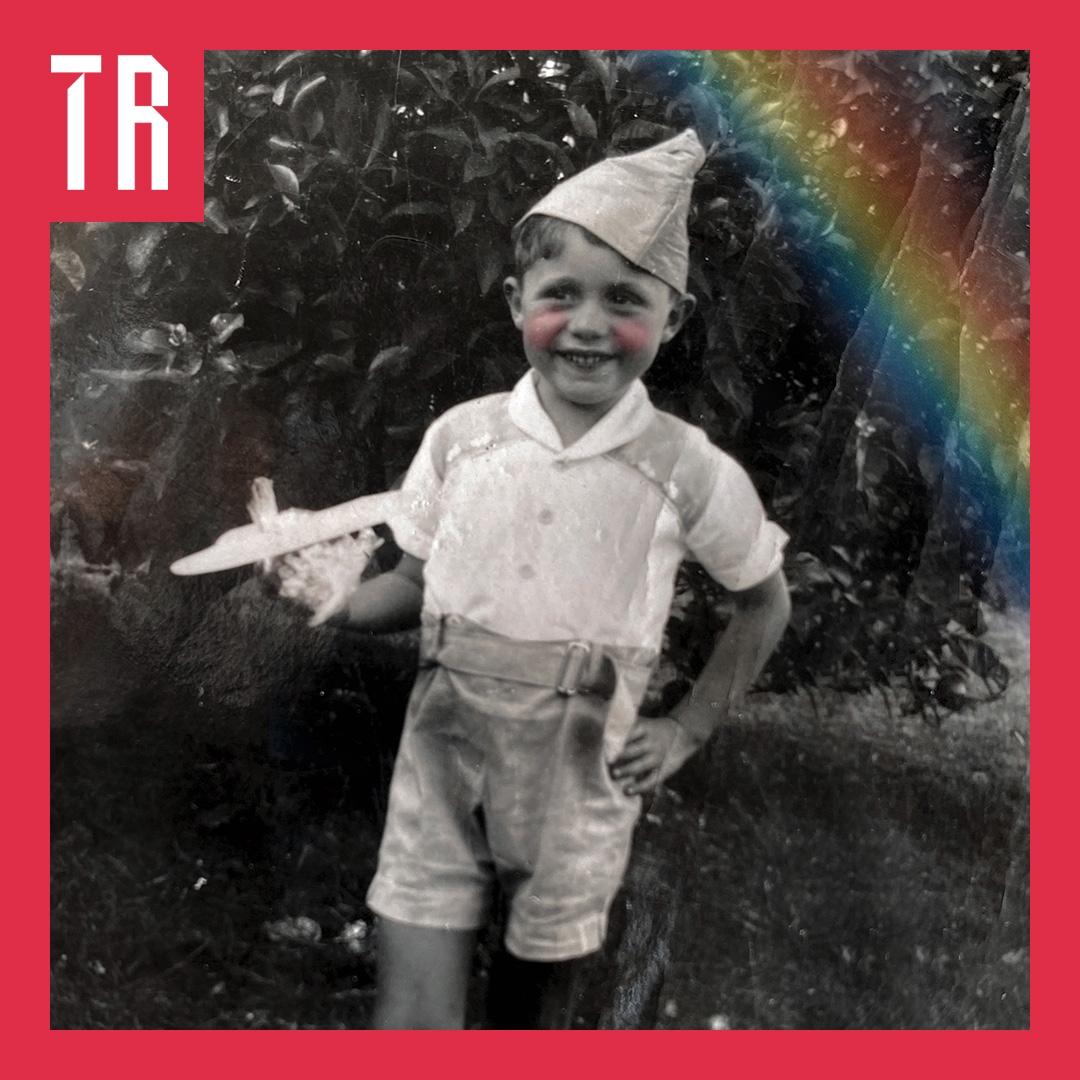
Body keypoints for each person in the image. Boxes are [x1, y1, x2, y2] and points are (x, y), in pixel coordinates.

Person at [276, 130, 791, 1029]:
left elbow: (762, 601)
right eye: (562, 295)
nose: (590, 324)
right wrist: (343, 602)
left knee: (540, 1004)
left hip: (578, 770)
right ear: (518, 303)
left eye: (625, 300)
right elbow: (411, 584)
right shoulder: (463, 440)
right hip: (441, 753)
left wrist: (689, 726)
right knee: (413, 1002)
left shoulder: (686, 468)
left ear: (671, 317)